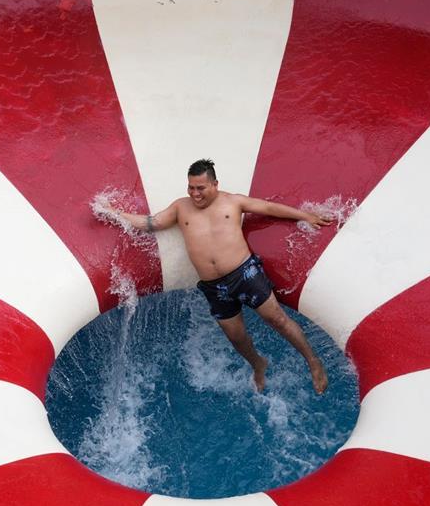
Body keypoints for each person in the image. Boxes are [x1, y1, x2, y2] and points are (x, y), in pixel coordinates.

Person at [103, 158, 333, 394]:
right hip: (214, 287)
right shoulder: (180, 207)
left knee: (278, 320)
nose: (195, 194)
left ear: (214, 184)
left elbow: (268, 208)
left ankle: (313, 361)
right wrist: (113, 213)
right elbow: (151, 223)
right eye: (191, 187)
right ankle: (258, 364)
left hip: (245, 274)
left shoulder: (232, 201)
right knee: (235, 336)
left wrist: (304, 215)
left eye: (200, 188)